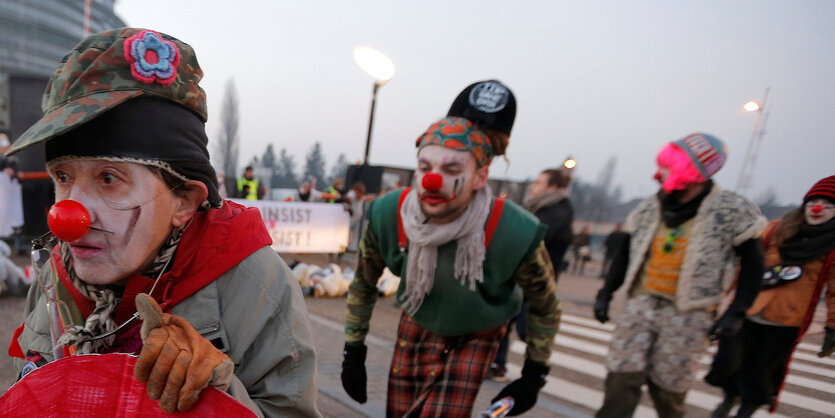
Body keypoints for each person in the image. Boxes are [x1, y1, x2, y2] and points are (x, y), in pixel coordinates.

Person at [5, 28, 319, 417]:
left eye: (109, 178)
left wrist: (216, 390)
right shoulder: (54, 274)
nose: (70, 217)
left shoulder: (255, 284)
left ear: (184, 201)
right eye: (63, 178)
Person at [341, 80, 561, 417]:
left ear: (481, 175)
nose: (432, 180)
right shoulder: (388, 214)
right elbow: (364, 283)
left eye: (452, 169)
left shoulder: (514, 231)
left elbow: (546, 305)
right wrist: (353, 350)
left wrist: (535, 373)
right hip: (417, 321)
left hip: (478, 332)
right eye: (425, 168)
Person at [592, 133, 767, 418]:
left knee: (669, 389)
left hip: (690, 313)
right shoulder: (650, 207)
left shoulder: (731, 210)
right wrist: (605, 293)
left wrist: (736, 312)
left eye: (667, 167)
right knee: (621, 377)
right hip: (641, 304)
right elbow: (625, 254)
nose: (657, 175)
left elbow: (753, 266)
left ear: (693, 172)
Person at [705, 175, 835, 418]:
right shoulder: (777, 229)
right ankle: (729, 397)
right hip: (750, 309)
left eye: (828, 205)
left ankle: (747, 408)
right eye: (813, 202)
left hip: (786, 321)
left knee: (760, 371)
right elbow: (746, 265)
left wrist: (832, 327)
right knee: (729, 363)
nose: (818, 208)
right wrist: (721, 297)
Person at [488, 167, 574, 381]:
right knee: (505, 320)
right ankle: (498, 364)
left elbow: (535, 239)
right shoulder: (541, 208)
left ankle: (533, 367)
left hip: (536, 280)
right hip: (522, 277)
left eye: (538, 183)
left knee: (529, 328)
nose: (533, 187)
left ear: (552, 188)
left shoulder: (556, 211)